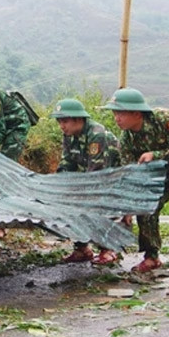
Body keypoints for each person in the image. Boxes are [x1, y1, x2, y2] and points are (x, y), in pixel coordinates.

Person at [101, 88, 169, 276]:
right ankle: (151, 256)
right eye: (114, 113)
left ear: (136, 113)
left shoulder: (165, 119)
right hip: (165, 172)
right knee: (146, 207)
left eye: (120, 113)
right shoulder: (126, 140)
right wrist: (127, 206)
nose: (116, 118)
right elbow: (131, 175)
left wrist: (155, 155)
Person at [51, 98, 123, 265]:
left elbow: (97, 173)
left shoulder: (96, 134)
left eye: (65, 121)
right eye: (59, 121)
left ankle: (108, 249)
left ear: (79, 119)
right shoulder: (69, 135)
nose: (62, 126)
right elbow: (67, 162)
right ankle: (82, 249)